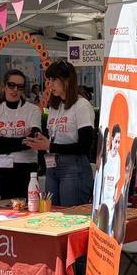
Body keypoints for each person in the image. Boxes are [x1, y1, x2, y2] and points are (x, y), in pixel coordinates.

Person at [28, 59, 96, 207]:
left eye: (54, 80)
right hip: (52, 167)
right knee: (52, 212)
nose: (50, 84)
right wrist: (41, 141)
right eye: (48, 80)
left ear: (67, 80)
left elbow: (85, 145)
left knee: (69, 214)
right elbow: (54, 138)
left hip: (74, 167)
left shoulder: (82, 105)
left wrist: (51, 146)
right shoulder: (54, 106)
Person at [0, 69, 42, 199]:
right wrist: (21, 140)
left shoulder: (33, 110)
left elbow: (33, 140)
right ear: (4, 86)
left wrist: (2, 141)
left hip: (26, 169)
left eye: (20, 87)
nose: (15, 90)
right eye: (11, 85)